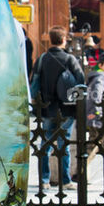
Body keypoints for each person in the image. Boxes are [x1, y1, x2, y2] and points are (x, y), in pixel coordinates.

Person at [31, 26, 84, 190]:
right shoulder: (70, 60)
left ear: (51, 40)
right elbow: (81, 82)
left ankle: (44, 180)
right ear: (63, 40)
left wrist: (35, 102)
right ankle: (65, 180)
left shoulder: (42, 59)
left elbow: (34, 84)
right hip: (66, 109)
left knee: (45, 144)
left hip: (47, 108)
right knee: (64, 145)